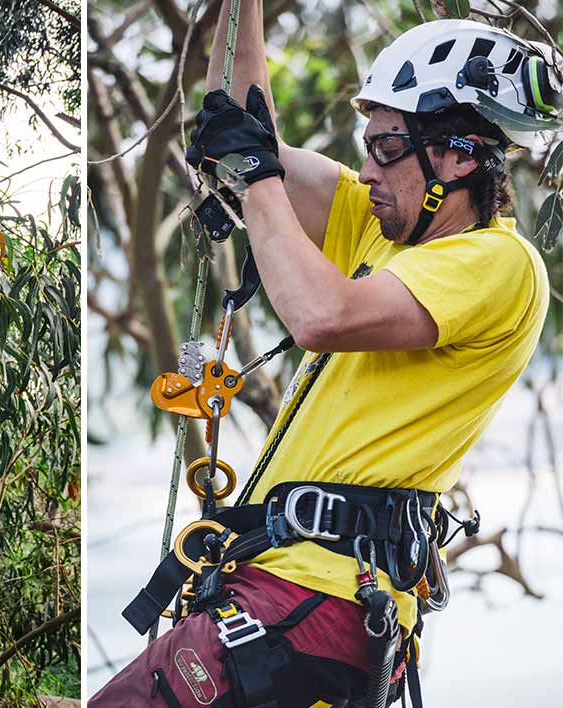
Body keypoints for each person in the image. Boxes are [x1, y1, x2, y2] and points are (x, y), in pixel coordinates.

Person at [92, 9, 552, 708]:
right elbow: (249, 132)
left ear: (458, 156)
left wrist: (254, 172)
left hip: (317, 600)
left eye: (387, 148)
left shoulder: (498, 263)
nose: (366, 169)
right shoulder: (377, 232)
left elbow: (320, 315)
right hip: (280, 594)